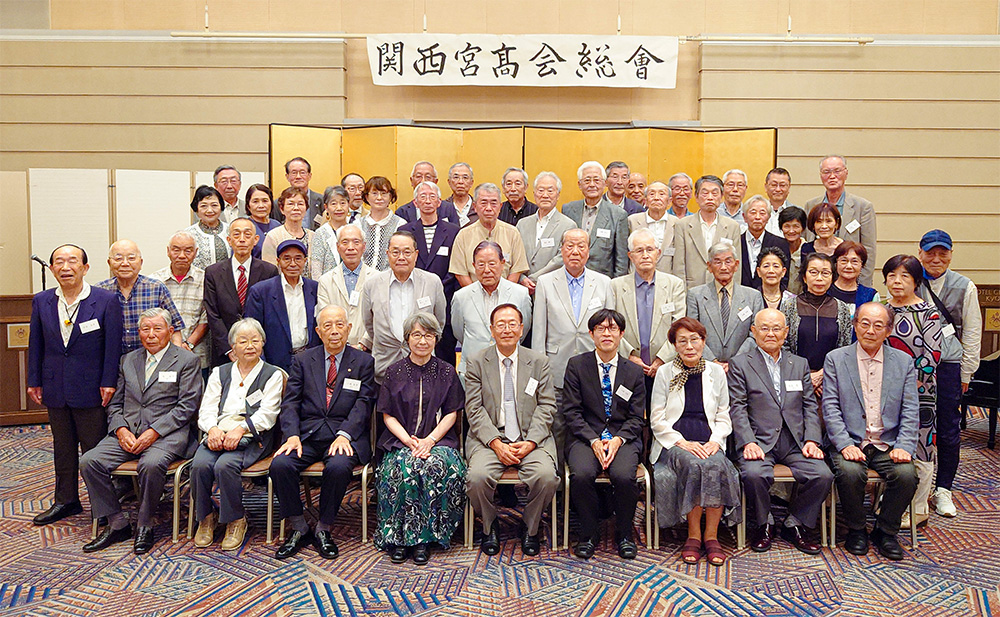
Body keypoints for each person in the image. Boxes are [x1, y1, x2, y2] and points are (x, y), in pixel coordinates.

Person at [80, 308, 202, 554]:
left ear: (170, 331)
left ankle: (145, 524)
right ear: (139, 333)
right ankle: (117, 523)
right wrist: (121, 429)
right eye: (145, 329)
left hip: (168, 435)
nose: (151, 334)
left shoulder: (187, 361)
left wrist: (154, 432)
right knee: (89, 461)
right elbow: (115, 403)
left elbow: (187, 407)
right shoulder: (128, 360)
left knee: (151, 464)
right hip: (128, 433)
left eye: (157, 328)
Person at [269, 305, 377, 560]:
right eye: (327, 326)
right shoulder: (303, 361)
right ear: (318, 331)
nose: (334, 331)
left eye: (339, 325)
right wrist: (292, 435)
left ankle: (323, 528)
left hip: (344, 436)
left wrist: (345, 434)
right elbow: (290, 402)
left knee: (338, 467)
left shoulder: (364, 362)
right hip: (307, 435)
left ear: (349, 328)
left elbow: (363, 405)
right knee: (280, 465)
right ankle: (299, 527)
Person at [27, 244, 123, 525]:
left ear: (85, 267)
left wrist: (108, 381)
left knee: (93, 450)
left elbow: (112, 346)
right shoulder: (42, 300)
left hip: (92, 387)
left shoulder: (105, 300)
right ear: (52, 268)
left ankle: (102, 506)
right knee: (63, 448)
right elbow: (36, 343)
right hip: (54, 385)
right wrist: (34, 380)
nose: (65, 267)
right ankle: (66, 500)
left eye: (72, 261)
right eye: (59, 262)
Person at [728, 309, 833, 554]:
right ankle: (764, 524)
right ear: (753, 332)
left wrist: (812, 440)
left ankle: (795, 523)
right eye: (764, 328)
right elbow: (737, 407)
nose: (770, 333)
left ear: (786, 333)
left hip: (795, 441)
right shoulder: (740, 364)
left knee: (823, 475)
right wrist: (748, 442)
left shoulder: (799, 364)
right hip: (758, 441)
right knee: (754, 474)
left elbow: (809, 405)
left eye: (776, 328)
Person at [823, 302, 919, 560]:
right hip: (850, 440)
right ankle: (856, 529)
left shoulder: (903, 362)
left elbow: (911, 409)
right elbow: (830, 407)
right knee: (850, 472)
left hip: (888, 442)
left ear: (888, 330)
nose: (870, 330)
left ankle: (885, 531)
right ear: (855, 325)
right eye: (864, 323)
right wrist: (844, 444)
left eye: (878, 325)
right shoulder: (836, 359)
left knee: (907, 475)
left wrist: (904, 446)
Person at [465, 304, 560, 556]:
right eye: (501, 324)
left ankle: (530, 526)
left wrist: (531, 442)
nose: (506, 329)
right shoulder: (476, 362)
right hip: (489, 440)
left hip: (531, 438)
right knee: (476, 478)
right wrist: (496, 443)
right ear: (492, 330)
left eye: (512, 324)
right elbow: (474, 409)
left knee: (546, 477)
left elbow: (547, 405)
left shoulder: (539, 362)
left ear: (521, 329)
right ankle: (490, 525)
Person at [374, 312, 467, 565]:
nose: (422, 341)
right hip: (401, 440)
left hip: (438, 441)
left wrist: (430, 441)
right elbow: (388, 415)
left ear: (436, 339)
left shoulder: (447, 372)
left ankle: (425, 540)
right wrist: (408, 441)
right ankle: (398, 539)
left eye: (428, 335)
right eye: (416, 335)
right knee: (401, 469)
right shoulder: (393, 372)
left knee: (436, 467)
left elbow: (451, 413)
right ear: (407, 339)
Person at [649, 317, 741, 567]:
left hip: (709, 439)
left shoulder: (715, 372)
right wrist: (683, 443)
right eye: (682, 341)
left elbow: (723, 414)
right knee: (695, 464)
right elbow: (657, 419)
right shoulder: (665, 372)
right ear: (674, 345)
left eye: (694, 339)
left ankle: (711, 536)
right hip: (674, 443)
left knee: (716, 464)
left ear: (703, 341)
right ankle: (693, 535)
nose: (689, 346)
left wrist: (716, 441)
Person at [191, 318, 283, 550]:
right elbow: (207, 408)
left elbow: (268, 414)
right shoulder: (219, 373)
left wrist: (241, 429)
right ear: (233, 346)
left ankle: (236, 519)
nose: (250, 346)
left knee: (225, 466)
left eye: (255, 340)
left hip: (254, 437)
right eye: (243, 341)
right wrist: (212, 429)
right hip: (218, 433)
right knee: (200, 465)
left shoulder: (272, 374)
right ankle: (206, 517)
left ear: (263, 343)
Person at [562, 309, 646, 559]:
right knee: (581, 474)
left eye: (612, 329)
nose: (606, 334)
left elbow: (636, 417)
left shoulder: (633, 371)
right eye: (600, 329)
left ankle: (624, 534)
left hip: (623, 437)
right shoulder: (577, 365)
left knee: (623, 476)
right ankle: (589, 533)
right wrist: (594, 440)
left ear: (621, 334)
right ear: (591, 334)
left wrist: (618, 440)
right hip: (585, 437)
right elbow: (571, 411)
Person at [532, 228, 615, 463]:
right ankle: (557, 479)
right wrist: (541, 372)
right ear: (561, 250)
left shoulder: (604, 283)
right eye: (569, 246)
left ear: (588, 251)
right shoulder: (546, 282)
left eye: (581, 246)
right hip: (556, 368)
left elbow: (610, 330)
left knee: (591, 427)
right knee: (557, 427)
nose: (575, 251)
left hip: (593, 369)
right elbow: (539, 331)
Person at [917, 229, 982, 519]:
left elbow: (973, 331)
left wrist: (967, 372)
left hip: (948, 365)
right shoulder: (910, 278)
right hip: (914, 365)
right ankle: (911, 487)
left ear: (951, 255)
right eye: (930, 252)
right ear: (920, 253)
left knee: (947, 427)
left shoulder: (964, 286)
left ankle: (943, 488)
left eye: (942, 253)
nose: (936, 258)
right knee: (912, 424)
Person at [883, 254, 944, 529]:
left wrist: (905, 385)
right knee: (889, 445)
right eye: (892, 276)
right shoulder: (882, 310)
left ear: (916, 281)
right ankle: (889, 502)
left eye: (904, 276)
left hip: (920, 391)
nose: (897, 281)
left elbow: (932, 357)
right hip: (883, 392)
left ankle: (919, 508)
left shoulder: (928, 313)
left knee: (920, 447)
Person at [612, 228, 686, 408]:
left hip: (665, 366)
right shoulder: (615, 286)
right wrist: (631, 357)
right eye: (639, 250)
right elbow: (612, 327)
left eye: (649, 249)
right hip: (627, 365)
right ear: (630, 256)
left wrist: (661, 359)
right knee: (628, 414)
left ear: (658, 253)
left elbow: (679, 328)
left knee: (663, 415)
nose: (645, 255)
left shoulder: (674, 285)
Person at [360, 231, 446, 382]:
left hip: (423, 366)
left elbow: (438, 323)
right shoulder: (372, 285)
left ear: (416, 254)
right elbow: (369, 324)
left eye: (407, 252)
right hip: (384, 367)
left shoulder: (432, 282)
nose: (401, 257)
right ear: (387, 254)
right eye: (395, 252)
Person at [399, 181, 461, 365]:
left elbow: (455, 267)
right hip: (412, 298)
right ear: (415, 202)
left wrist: (436, 288)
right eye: (423, 197)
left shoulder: (453, 231)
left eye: (432, 196)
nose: (427, 201)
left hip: (445, 300)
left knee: (443, 357)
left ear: (439, 202)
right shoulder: (405, 231)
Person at [203, 218, 279, 367]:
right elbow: (212, 314)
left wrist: (259, 344)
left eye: (247, 234)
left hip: (259, 350)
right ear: (229, 240)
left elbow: (271, 313)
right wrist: (229, 348)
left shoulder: (269, 271)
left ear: (255, 240)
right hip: (224, 352)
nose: (242, 239)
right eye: (236, 235)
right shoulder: (213, 272)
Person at [452, 241, 532, 379]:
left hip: (509, 368)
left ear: (502, 263)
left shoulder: (520, 294)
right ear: (474, 266)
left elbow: (522, 331)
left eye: (492, 263)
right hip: (473, 371)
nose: (487, 270)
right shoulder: (461, 296)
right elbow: (459, 332)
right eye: (481, 264)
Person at [781, 253, 853, 397]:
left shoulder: (842, 308)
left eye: (825, 273)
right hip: (794, 379)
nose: (819, 278)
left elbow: (844, 349)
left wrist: (821, 375)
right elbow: (783, 345)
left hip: (830, 381)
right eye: (813, 272)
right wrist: (806, 376)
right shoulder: (789, 306)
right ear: (804, 277)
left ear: (832, 277)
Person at [244, 239, 321, 371]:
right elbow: (252, 331)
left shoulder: (315, 288)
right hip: (274, 364)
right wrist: (263, 366)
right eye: (287, 258)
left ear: (305, 261)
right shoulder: (261, 291)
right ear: (278, 261)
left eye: (298, 258)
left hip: (310, 361)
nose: (293, 264)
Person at [686, 241, 763, 369]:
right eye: (717, 262)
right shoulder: (695, 295)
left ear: (736, 265)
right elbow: (693, 334)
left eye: (728, 261)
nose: (723, 267)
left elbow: (755, 334)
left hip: (743, 367)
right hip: (705, 366)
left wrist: (735, 362)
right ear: (709, 266)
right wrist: (713, 362)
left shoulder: (753, 297)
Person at [98, 239, 184, 353]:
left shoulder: (156, 288)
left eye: (131, 258)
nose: (125, 263)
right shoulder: (100, 291)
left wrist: (176, 359)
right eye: (118, 259)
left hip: (150, 359)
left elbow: (175, 327)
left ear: (141, 262)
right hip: (112, 358)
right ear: (109, 263)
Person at [805, 155, 877, 286]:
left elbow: (869, 250)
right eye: (827, 172)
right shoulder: (811, 205)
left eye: (837, 171)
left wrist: (861, 285)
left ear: (846, 173)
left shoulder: (863, 207)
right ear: (821, 175)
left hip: (850, 282)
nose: (832, 176)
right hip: (817, 282)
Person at [150, 231, 210, 372]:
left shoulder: (206, 279)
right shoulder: (154, 281)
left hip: (196, 353)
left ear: (195, 252)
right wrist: (173, 344)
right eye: (176, 250)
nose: (182, 255)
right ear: (168, 251)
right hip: (161, 353)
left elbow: (206, 317)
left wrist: (189, 343)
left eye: (188, 250)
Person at [449, 183, 529, 287]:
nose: (488, 208)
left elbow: (516, 270)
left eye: (493, 203)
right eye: (483, 203)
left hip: (506, 294)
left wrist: (504, 294)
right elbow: (460, 274)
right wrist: (476, 294)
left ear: (500, 207)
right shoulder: (463, 235)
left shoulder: (513, 233)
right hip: (473, 293)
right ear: (475, 207)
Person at [561, 161, 630, 279]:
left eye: (597, 180)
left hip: (603, 281)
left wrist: (615, 285)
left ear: (604, 183)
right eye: (587, 180)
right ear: (579, 184)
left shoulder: (618, 215)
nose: (592, 185)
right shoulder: (568, 210)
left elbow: (621, 260)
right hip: (570, 277)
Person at [673, 175, 742, 288]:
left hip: (723, 289)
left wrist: (733, 293)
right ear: (696, 197)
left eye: (714, 193)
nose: (710, 197)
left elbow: (736, 267)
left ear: (721, 197)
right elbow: (678, 266)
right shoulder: (682, 225)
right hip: (692, 289)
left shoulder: (732, 226)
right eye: (705, 193)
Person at [516, 171, 575, 295]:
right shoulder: (522, 224)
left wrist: (534, 280)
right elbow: (515, 255)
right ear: (534, 194)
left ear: (558, 195)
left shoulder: (568, 225)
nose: (545, 195)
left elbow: (560, 259)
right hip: (522, 288)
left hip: (552, 289)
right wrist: (521, 278)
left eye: (550, 191)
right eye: (541, 190)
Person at [316, 224, 374, 349]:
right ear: (338, 247)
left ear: (364, 246)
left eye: (356, 242)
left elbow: (379, 318)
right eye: (345, 242)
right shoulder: (325, 280)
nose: (350, 247)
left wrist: (363, 344)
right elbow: (324, 318)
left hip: (369, 350)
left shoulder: (377, 279)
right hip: (335, 349)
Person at [740, 195, 790, 289]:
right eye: (753, 212)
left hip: (770, 294)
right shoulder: (736, 242)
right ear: (744, 217)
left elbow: (784, 278)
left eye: (762, 213)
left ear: (768, 217)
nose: (757, 217)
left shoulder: (780, 244)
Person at [628, 181, 677, 273]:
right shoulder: (632, 221)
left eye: (661, 194)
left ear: (669, 201)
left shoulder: (677, 223)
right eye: (652, 194)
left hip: (667, 277)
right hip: (637, 275)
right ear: (645, 201)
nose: (656, 198)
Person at [359, 176, 405, 271]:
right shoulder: (358, 224)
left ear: (390, 196)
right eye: (374, 193)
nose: (379, 198)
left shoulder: (400, 224)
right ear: (366, 197)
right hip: (362, 276)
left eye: (384, 193)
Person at [261, 187, 315, 264]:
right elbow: (269, 267)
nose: (296, 208)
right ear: (282, 209)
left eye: (300, 204)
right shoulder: (273, 236)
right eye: (290, 204)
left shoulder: (313, 236)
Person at [395, 162, 459, 225]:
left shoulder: (448, 208)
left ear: (436, 181)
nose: (423, 181)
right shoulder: (402, 212)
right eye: (418, 176)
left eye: (428, 177)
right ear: (411, 181)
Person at [308, 186, 350, 279]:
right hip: (328, 284)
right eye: (334, 204)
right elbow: (316, 270)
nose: (339, 208)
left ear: (348, 205)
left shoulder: (356, 230)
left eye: (343, 203)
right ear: (326, 207)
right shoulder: (321, 233)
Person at [186, 185, 231, 270]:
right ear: (196, 208)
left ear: (221, 206)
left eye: (214, 205)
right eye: (204, 206)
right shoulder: (188, 234)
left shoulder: (230, 230)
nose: (210, 210)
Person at [829, 241, 879, 314]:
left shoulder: (871, 296)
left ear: (862, 265)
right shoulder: (826, 291)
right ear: (836, 263)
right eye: (844, 260)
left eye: (854, 261)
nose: (849, 266)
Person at [281, 157, 324, 229]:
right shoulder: (279, 202)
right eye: (294, 173)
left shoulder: (321, 200)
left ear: (309, 176)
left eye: (302, 172)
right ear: (287, 176)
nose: (298, 177)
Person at [244, 184, 280, 259]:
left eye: (265, 201)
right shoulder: (244, 226)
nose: (261, 206)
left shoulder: (277, 225)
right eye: (255, 201)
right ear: (248, 205)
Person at [778, 206, 808, 295]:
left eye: (796, 226)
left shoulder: (808, 251)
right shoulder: (776, 249)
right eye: (787, 226)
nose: (791, 231)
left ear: (803, 228)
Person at [756, 246, 796, 311]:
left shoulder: (792, 300)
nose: (771, 271)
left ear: (783, 272)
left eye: (776, 266)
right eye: (766, 266)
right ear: (759, 271)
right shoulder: (751, 298)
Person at [763, 168, 795, 236]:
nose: (778, 189)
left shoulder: (797, 213)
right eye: (774, 185)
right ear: (766, 187)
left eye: (782, 185)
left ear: (789, 187)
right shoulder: (758, 213)